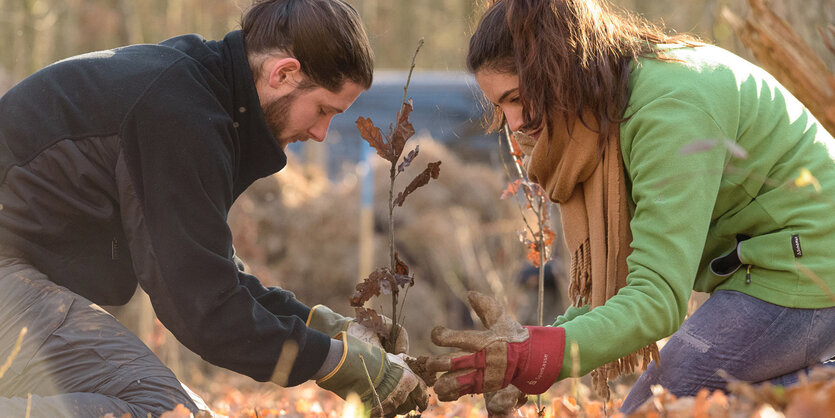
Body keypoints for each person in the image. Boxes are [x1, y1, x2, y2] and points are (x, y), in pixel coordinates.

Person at [0, 0, 427, 416]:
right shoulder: (178, 113)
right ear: (284, 73)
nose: (320, 132)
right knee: (170, 413)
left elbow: (207, 270)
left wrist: (332, 331)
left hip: (17, 276)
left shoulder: (195, 90)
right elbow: (205, 310)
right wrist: (339, 363)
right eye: (322, 110)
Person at [427, 0, 835, 414]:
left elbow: (656, 299)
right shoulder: (615, 99)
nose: (513, 123)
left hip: (810, 266)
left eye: (516, 97)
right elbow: (618, 287)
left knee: (652, 411)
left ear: (555, 68)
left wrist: (542, 355)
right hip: (774, 265)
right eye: (500, 107)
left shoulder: (669, 109)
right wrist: (528, 349)